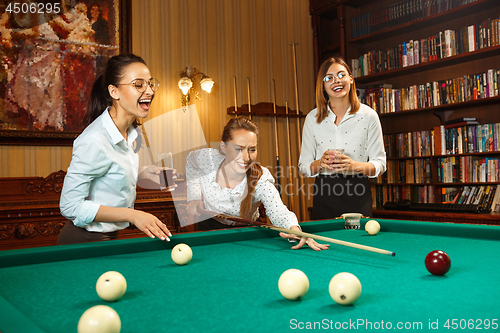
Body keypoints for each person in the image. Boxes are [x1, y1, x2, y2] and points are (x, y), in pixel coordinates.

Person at [58, 54, 172, 244]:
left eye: (150, 84)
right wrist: (132, 215)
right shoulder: (95, 139)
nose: (150, 91)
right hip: (82, 242)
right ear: (114, 92)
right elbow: (69, 206)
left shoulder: (130, 133)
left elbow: (108, 173)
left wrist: (142, 173)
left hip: (107, 240)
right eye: (138, 84)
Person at [185, 117, 329, 251]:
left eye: (252, 149)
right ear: (223, 147)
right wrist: (194, 196)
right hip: (208, 229)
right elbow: (190, 161)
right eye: (238, 149)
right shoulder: (206, 159)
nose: (246, 158)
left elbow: (278, 210)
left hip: (247, 234)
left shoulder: (260, 178)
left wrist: (294, 230)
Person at [298, 57, 386, 220]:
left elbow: (380, 165)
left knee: (358, 244)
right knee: (325, 244)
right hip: (324, 192)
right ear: (323, 85)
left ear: (350, 79)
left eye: (341, 75)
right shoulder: (312, 118)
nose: (336, 81)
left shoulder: (369, 116)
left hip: (358, 191)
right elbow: (303, 167)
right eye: (329, 78)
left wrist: (354, 166)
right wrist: (320, 163)